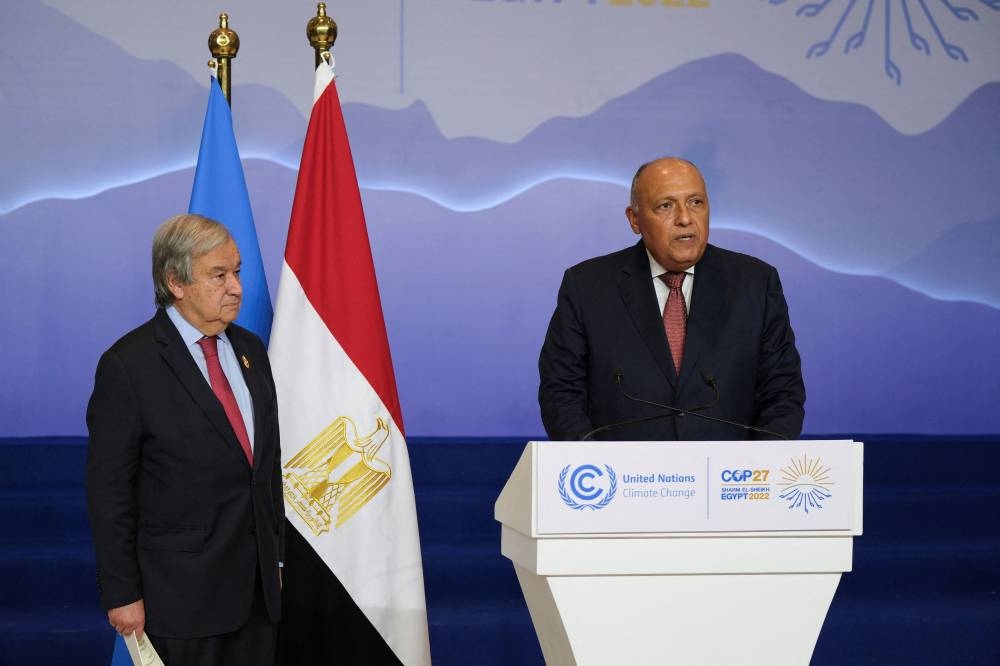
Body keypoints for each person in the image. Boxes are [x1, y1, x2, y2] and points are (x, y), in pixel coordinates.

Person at [86, 214, 283, 665]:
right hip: (178, 602)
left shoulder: (251, 350)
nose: (236, 287)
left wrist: (276, 564)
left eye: (237, 272)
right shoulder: (128, 365)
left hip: (257, 599)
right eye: (219, 275)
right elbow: (109, 493)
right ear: (176, 282)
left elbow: (265, 470)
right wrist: (122, 593)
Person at [538, 157, 805, 441]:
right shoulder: (587, 287)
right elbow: (562, 394)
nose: (685, 218)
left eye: (696, 203)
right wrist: (596, 473)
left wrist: (756, 474)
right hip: (624, 478)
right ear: (634, 219)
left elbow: (782, 393)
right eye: (666, 206)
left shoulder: (755, 283)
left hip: (730, 479)